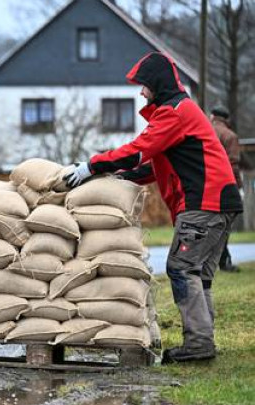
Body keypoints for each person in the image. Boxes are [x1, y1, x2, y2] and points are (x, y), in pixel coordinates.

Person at [63, 52, 243, 363]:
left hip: (205, 202)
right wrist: (116, 176)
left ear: (157, 83)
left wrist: (91, 166)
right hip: (220, 202)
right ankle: (203, 339)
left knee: (181, 268)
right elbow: (152, 165)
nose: (141, 92)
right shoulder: (181, 111)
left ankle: (199, 345)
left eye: (144, 85)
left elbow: (139, 151)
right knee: (199, 275)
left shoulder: (174, 112)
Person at [210, 107, 242, 272]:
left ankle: (214, 261)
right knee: (223, 227)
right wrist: (238, 187)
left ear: (213, 116)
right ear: (226, 119)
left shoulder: (205, 130)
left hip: (206, 186)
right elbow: (234, 164)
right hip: (226, 187)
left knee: (210, 225)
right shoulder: (230, 136)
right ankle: (224, 262)